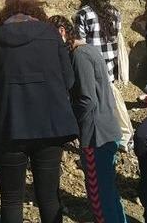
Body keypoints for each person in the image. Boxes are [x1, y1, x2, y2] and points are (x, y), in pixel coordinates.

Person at [0, 0, 78, 223]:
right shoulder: (51, 35)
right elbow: (69, 79)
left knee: (11, 199)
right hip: (49, 123)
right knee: (49, 197)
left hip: (11, 125)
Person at [50, 15, 127, 223]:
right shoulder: (90, 49)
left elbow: (86, 99)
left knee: (98, 195)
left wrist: (73, 125)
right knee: (108, 191)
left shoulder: (80, 56)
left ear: (62, 32)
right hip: (106, 128)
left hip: (95, 134)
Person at [74, 0, 122, 82]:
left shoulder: (83, 13)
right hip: (111, 61)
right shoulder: (114, 11)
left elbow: (80, 41)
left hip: (92, 61)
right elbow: (117, 33)